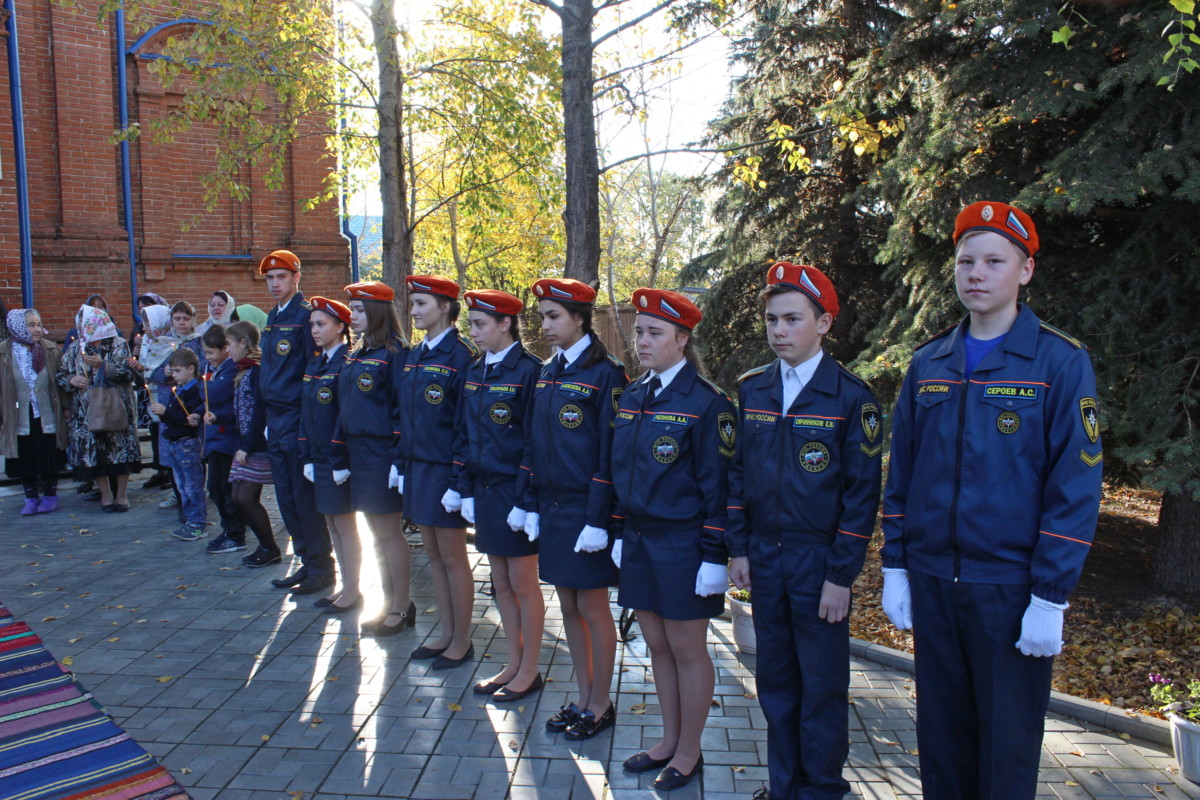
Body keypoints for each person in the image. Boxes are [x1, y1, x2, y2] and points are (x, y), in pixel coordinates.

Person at [880, 201, 1104, 800]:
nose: (975, 273)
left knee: (1005, 753)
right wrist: (896, 565)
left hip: (1010, 590)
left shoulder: (1060, 362)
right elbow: (903, 472)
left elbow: (1076, 486)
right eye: (965, 260)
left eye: (994, 261)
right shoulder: (930, 362)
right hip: (932, 582)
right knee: (942, 746)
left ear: (1025, 271)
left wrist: (1049, 597)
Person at [726, 263, 883, 800]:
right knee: (775, 681)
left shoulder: (851, 397)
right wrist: (739, 547)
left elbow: (862, 498)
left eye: (793, 319)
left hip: (819, 566)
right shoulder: (754, 390)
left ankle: (820, 789)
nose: (778, 330)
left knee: (821, 687)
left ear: (824, 324)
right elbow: (738, 475)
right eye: (772, 319)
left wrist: (842, 574)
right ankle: (783, 784)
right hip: (766, 562)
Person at [610, 288, 733, 788]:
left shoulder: (708, 404)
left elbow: (720, 487)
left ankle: (689, 751)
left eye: (654, 333)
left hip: (684, 545)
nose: (641, 341)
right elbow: (621, 470)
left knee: (686, 646)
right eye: (639, 331)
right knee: (656, 643)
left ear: (682, 340)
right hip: (639, 540)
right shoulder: (634, 395)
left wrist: (713, 555)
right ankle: (667, 739)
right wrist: (618, 531)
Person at [515, 277, 627, 739]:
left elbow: (610, 452)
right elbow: (533, 441)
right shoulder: (546, 370)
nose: (545, 325)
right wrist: (530, 502)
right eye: (542, 316)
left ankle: (601, 703)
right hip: (554, 506)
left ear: (580, 318)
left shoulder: (607, 373)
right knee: (567, 604)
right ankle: (583, 698)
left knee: (593, 607)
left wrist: (599, 519)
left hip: (588, 513)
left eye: (554, 315)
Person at [455, 289, 546, 702]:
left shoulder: (529, 370)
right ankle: (513, 661)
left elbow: (533, 441)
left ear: (505, 323)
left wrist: (526, 500)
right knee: (500, 582)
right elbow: (464, 433)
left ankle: (530, 669)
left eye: (479, 324)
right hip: (485, 489)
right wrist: (465, 489)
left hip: (515, 491)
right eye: (471, 324)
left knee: (524, 583)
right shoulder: (475, 370)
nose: (472, 332)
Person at [396, 275, 477, 667]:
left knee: (452, 555)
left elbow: (464, 424)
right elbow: (404, 415)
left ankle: (462, 639)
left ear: (445, 307)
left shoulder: (460, 356)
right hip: (418, 467)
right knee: (431, 553)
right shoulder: (415, 354)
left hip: (445, 471)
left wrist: (458, 481)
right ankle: (445, 632)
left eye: (421, 304)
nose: (413, 312)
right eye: (412, 304)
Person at [331, 282, 411, 628]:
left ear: (378, 312)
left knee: (389, 533)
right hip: (359, 453)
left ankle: (401, 605)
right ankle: (388, 600)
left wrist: (396, 460)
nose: (353, 315)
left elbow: (399, 412)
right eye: (352, 308)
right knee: (376, 534)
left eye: (361, 309)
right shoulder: (359, 351)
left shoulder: (394, 353)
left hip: (381, 454)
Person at [258, 250, 333, 595]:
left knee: (303, 496)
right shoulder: (273, 316)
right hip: (275, 416)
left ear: (296, 278)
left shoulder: (306, 316)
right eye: (270, 278)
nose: (275, 283)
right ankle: (306, 561)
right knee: (286, 496)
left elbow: (310, 370)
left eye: (281, 277)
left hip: (295, 415)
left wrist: (304, 423)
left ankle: (321, 566)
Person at [298, 298, 356, 604]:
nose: (314, 331)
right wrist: (306, 453)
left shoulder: (347, 362)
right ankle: (345, 587)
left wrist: (338, 458)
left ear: (340, 326)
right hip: (318, 456)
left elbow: (343, 416)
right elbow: (307, 412)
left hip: (337, 459)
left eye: (321, 324)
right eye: (312, 325)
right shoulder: (316, 362)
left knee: (344, 523)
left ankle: (353, 589)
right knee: (331, 523)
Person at [56, 305, 142, 511]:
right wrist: (72, 379)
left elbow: (128, 375)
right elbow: (60, 374)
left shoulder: (118, 344)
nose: (83, 327)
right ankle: (105, 494)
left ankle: (121, 494)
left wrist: (104, 366)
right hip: (86, 411)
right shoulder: (76, 347)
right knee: (94, 452)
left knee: (121, 450)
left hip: (116, 406)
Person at [224, 321, 281, 568]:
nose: (227, 350)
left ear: (243, 343)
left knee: (245, 496)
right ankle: (264, 545)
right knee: (238, 495)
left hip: (257, 443)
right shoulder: (242, 370)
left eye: (229, 344)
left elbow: (259, 410)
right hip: (246, 440)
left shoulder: (256, 369)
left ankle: (270, 547)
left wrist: (247, 444)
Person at [0, 308, 68, 514]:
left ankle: (50, 495)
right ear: (18, 326)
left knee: (49, 450)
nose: (37, 329)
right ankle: (30, 497)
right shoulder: (4, 351)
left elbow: (60, 380)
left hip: (47, 409)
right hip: (17, 413)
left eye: (38, 324)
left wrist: (66, 408)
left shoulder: (50, 349)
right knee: (24, 453)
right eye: (31, 325)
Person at [149, 348, 206, 541]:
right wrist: (162, 413)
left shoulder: (194, 390)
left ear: (191, 369)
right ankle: (190, 520)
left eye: (177, 371)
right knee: (182, 485)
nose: (174, 375)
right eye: (172, 371)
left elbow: (186, 418)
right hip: (174, 442)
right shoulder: (179, 389)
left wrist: (166, 412)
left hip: (187, 444)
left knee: (192, 485)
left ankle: (198, 523)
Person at [199, 325, 247, 551]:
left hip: (226, 439)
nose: (207, 358)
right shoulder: (213, 370)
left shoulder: (230, 370)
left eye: (210, 352)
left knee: (225, 490)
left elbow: (213, 394)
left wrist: (204, 387)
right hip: (214, 440)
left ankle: (235, 533)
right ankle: (229, 529)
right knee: (216, 489)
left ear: (225, 349)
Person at [129, 294, 171, 490]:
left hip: (168, 397)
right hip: (151, 394)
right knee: (155, 433)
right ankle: (161, 471)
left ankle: (171, 474)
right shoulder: (146, 340)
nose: (144, 326)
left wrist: (145, 370)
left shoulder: (170, 342)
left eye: (147, 321)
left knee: (168, 435)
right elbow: (145, 367)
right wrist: (138, 366)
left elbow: (167, 371)